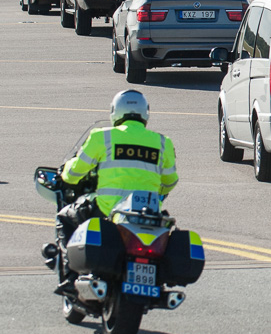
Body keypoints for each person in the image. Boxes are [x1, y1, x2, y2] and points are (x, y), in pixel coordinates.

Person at [56, 89, 179, 244]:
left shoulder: (102, 136)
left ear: (115, 111)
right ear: (145, 113)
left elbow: (73, 174)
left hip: (106, 210)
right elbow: (169, 182)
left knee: (65, 217)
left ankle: (66, 261)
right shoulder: (163, 142)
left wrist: (65, 172)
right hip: (147, 214)